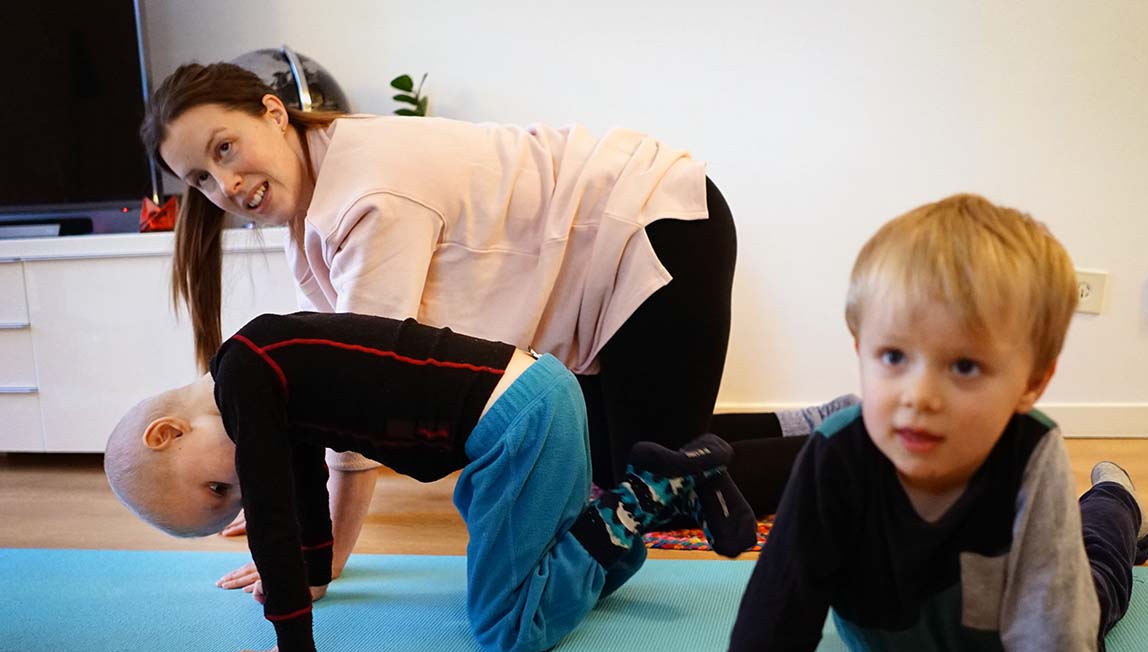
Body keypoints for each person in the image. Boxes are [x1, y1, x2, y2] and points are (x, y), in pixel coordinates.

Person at [139, 61, 852, 595]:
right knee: (615, 468)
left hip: (655, 226)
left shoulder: (368, 196)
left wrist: (321, 561)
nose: (224, 186)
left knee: (652, 491)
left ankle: (865, 452)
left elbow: (351, 396)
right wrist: (285, 511)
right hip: (615, 252)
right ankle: (811, 424)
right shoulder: (320, 191)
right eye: (200, 178)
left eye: (224, 149)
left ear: (273, 112)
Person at [670, 194, 1148, 652]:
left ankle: (1115, 498)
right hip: (914, 641)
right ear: (860, 351)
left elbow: (1053, 635)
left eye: (963, 367)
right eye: (894, 357)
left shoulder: (1029, 460)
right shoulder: (835, 459)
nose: (918, 395)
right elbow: (777, 613)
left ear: (1032, 382)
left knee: (1098, 567)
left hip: (1010, 651)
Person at [104, 310, 757, 652]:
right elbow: (301, 476)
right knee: (519, 562)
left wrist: (291, 651)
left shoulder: (244, 377)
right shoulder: (257, 362)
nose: (240, 487)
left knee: (508, 629)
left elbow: (273, 513)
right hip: (532, 404)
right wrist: (310, 575)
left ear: (169, 433)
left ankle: (642, 499)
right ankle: (619, 531)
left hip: (519, 425)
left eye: (219, 489)